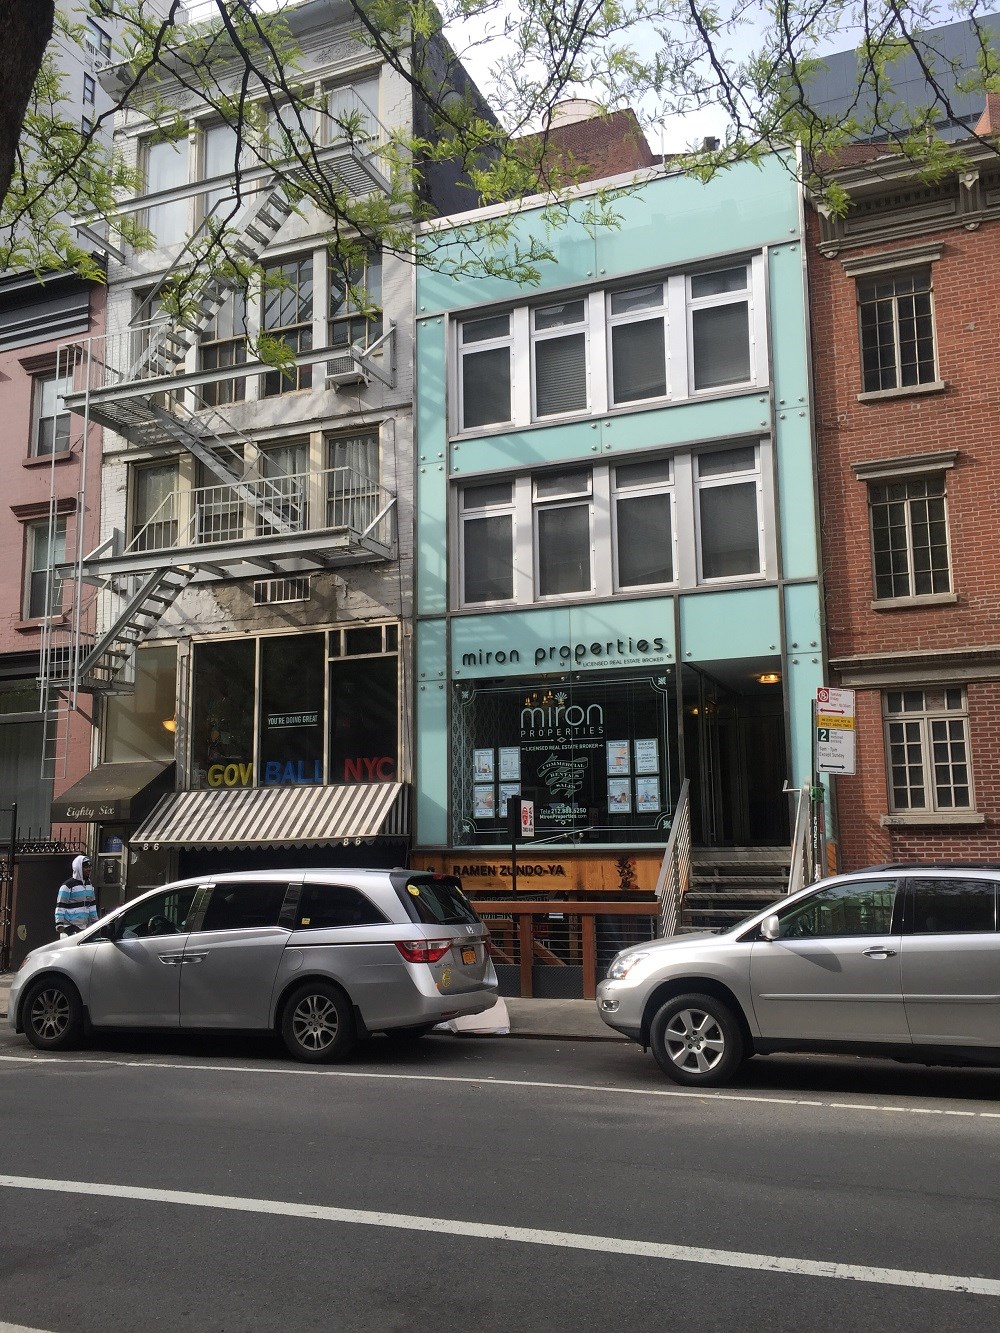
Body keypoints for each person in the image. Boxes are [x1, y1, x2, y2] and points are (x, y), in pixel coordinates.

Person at [54, 855, 99, 937]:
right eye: (85, 867)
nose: (89, 869)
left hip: (85, 928)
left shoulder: (90, 886)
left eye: (90, 866)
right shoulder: (67, 886)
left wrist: (95, 921)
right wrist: (59, 924)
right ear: (78, 868)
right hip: (69, 928)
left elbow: (92, 906)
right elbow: (60, 906)